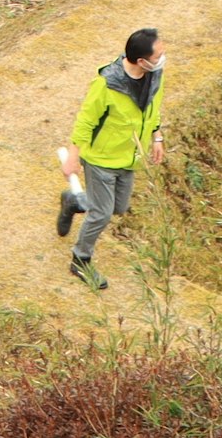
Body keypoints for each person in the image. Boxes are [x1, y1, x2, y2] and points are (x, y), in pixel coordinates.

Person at [53, 27, 166, 292]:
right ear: (141, 60)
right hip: (101, 159)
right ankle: (80, 259)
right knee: (102, 214)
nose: (163, 58)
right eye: (159, 55)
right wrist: (73, 157)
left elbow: (153, 105)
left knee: (118, 208)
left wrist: (156, 135)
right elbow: (85, 121)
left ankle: (75, 201)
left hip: (128, 158)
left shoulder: (154, 74)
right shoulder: (107, 84)